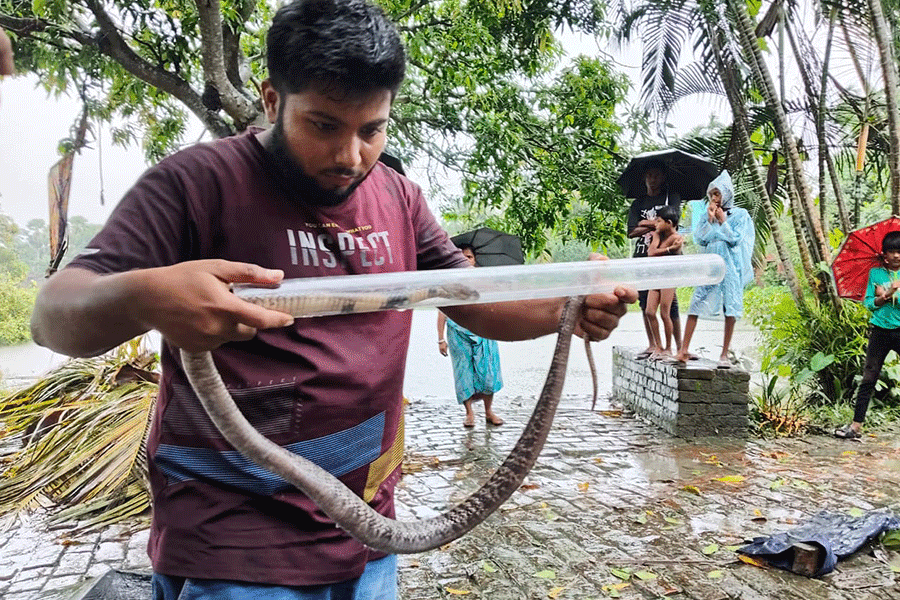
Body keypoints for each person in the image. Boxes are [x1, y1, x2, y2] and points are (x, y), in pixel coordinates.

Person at [29, 1, 637, 597]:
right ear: (272, 100)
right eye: (324, 126)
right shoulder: (196, 184)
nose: (351, 157)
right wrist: (144, 295)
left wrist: (571, 307)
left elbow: (469, 298)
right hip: (235, 547)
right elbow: (53, 315)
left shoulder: (398, 197)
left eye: (372, 130)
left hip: (369, 531)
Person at [673, 170, 754, 369]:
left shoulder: (740, 215)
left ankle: (724, 354)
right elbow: (700, 238)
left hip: (731, 267)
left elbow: (736, 239)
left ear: (726, 194)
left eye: (717, 194)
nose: (714, 198)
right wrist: (708, 220)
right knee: (696, 302)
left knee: (730, 308)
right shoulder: (705, 215)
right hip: (710, 265)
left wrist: (723, 221)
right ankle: (684, 349)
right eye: (711, 195)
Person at [835, 231, 900, 439]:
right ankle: (855, 427)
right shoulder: (876, 274)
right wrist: (886, 296)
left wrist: (891, 293)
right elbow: (870, 304)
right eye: (892, 252)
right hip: (879, 331)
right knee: (869, 377)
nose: (897, 256)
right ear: (884, 254)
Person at [437, 244, 504, 427]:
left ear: (475, 260)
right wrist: (441, 339)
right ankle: (469, 414)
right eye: (462, 257)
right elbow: (442, 310)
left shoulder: (484, 280)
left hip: (483, 330)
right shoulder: (449, 283)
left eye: (469, 257)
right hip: (458, 332)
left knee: (488, 372)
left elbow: (494, 305)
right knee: (463, 372)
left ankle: (489, 411)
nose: (466, 260)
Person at [626, 160, 683, 358]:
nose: (653, 179)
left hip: (669, 260)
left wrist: (646, 222)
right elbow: (632, 232)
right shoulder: (638, 203)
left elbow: (674, 221)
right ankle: (653, 345)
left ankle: (677, 346)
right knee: (645, 303)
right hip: (643, 255)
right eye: (649, 175)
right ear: (644, 178)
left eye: (657, 175)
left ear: (664, 177)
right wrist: (656, 224)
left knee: (670, 305)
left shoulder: (672, 198)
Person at [645, 205, 684, 359]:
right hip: (656, 277)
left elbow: (675, 255)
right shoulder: (657, 235)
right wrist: (668, 250)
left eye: (659, 221)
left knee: (665, 313)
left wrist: (673, 249)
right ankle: (658, 346)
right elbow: (651, 253)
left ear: (669, 222)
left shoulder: (677, 238)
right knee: (649, 311)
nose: (655, 224)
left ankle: (668, 348)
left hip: (669, 278)